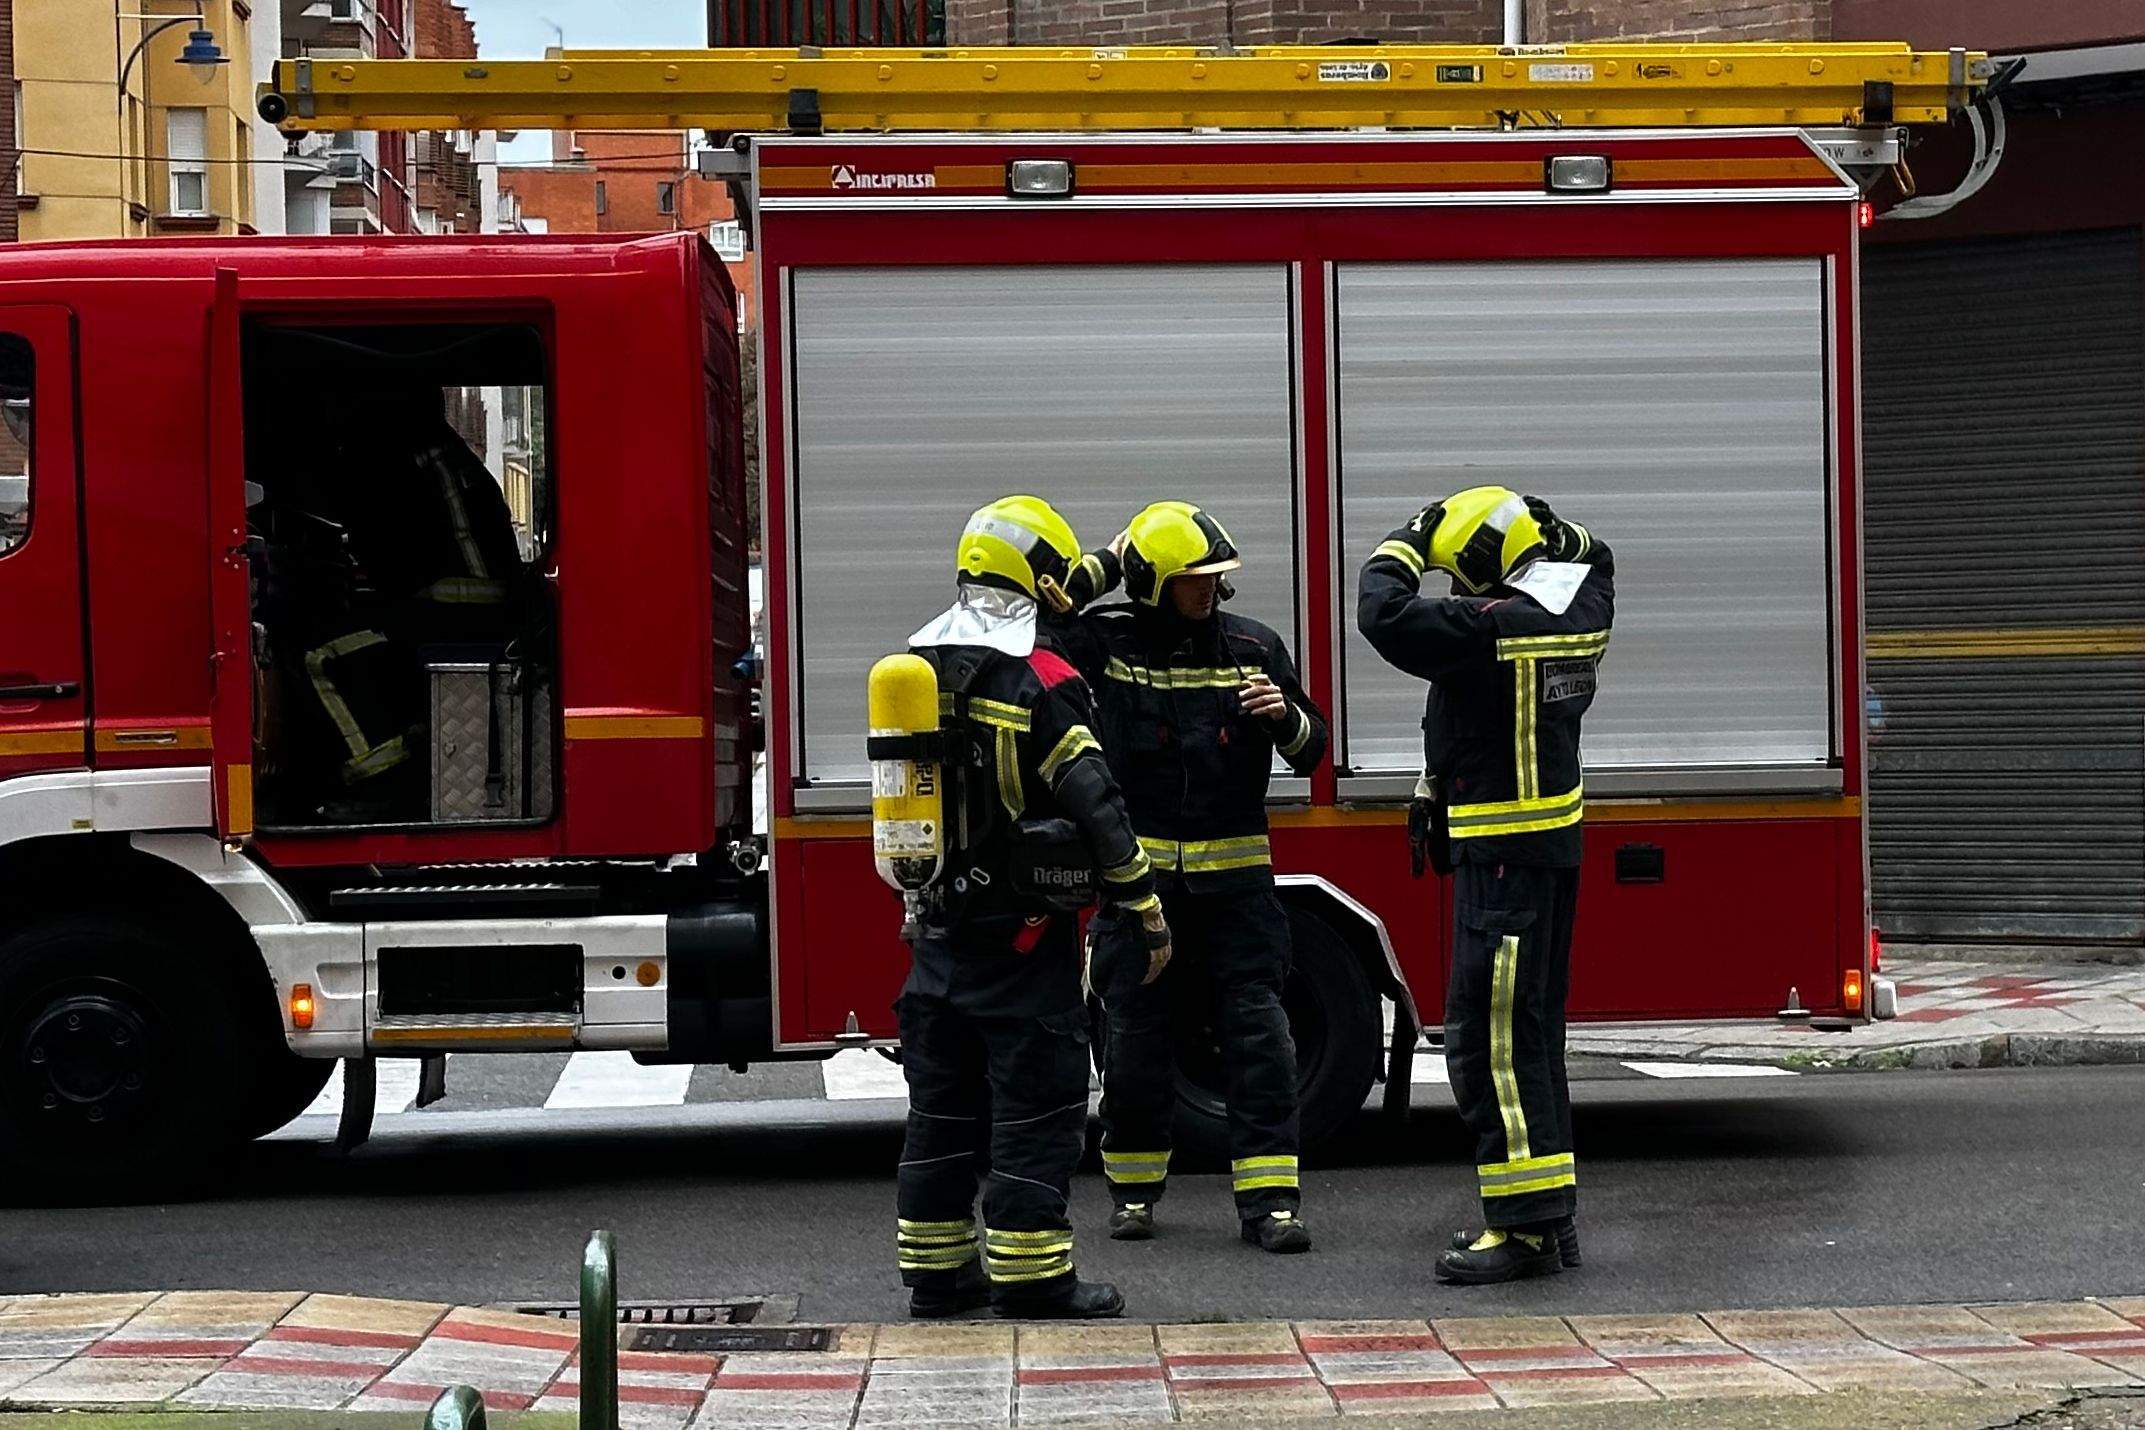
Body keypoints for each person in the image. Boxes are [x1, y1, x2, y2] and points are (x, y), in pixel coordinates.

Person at [892, 494, 1173, 1321]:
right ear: (1041, 578)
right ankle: (1032, 1278)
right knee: (1037, 1109)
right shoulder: (1041, 678)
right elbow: (1095, 801)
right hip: (1022, 944)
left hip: (936, 938)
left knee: (939, 1115)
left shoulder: (916, 666)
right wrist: (1144, 908)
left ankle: (937, 1278)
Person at [1355, 486, 1614, 1285]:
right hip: (1545, 856)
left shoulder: (1489, 629)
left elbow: (1381, 612)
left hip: (1501, 862)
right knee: (1531, 1040)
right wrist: (1529, 519)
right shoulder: (1584, 602)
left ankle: (1524, 1232)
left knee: (1489, 1044)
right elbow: (1593, 549)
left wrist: (1412, 536)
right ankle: (1550, 1217)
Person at [1057, 501, 1328, 1254]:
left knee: (1260, 1041)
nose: (1207, 589)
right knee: (1135, 1045)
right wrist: (1106, 562)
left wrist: (1282, 717)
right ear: (1149, 582)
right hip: (1141, 896)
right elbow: (1035, 631)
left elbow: (1312, 753)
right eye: (1190, 578)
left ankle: (1271, 1204)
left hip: (1238, 894)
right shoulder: (1107, 647)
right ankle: (1135, 1194)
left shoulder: (1253, 646)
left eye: (1214, 577)